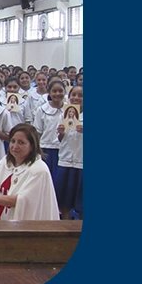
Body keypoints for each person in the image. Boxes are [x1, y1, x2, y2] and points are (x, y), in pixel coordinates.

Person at [0, 123, 60, 221]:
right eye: (13, 141)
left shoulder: (39, 170)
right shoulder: (6, 162)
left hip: (29, 225)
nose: (15, 146)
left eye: (21, 143)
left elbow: (23, 201)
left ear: (32, 146)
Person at [56, 85, 83, 220]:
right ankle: (64, 227)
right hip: (65, 160)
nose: (76, 98)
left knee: (82, 202)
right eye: (73, 95)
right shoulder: (63, 114)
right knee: (64, 201)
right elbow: (60, 139)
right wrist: (61, 133)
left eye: (80, 95)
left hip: (81, 162)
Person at [32, 80, 67, 187]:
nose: (57, 94)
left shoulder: (69, 109)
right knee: (45, 180)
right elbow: (37, 132)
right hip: (46, 149)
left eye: (60, 91)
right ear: (49, 92)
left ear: (65, 92)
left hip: (64, 150)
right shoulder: (42, 110)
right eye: (54, 91)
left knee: (59, 181)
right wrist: (37, 150)